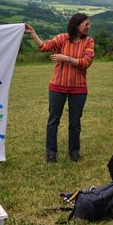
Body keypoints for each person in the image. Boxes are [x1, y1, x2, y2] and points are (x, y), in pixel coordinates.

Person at [24, 13, 95, 163]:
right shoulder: (62, 38)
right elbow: (44, 47)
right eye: (86, 24)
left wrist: (66, 58)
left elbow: (86, 63)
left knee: (75, 122)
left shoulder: (89, 42)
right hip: (57, 87)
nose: (89, 27)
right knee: (53, 121)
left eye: (88, 24)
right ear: (77, 26)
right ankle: (51, 153)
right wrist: (33, 33)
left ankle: (74, 152)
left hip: (79, 89)